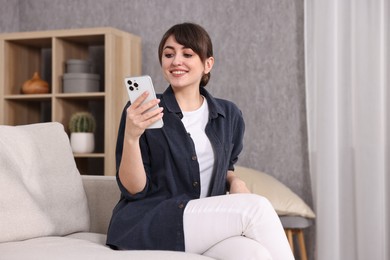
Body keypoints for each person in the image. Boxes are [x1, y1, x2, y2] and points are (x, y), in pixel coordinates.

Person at [106, 22, 294, 260]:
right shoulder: (142, 111)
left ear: (208, 64)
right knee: (256, 208)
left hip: (202, 225)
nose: (176, 61)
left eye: (187, 54)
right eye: (168, 54)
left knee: (254, 253)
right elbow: (134, 189)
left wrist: (234, 181)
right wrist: (131, 137)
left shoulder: (229, 115)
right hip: (151, 221)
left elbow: (225, 166)